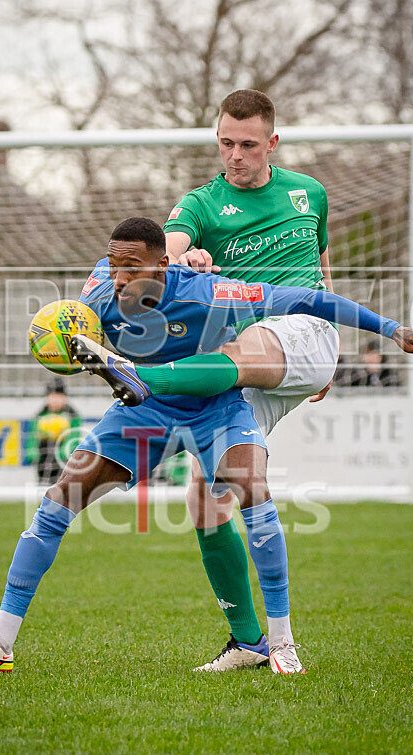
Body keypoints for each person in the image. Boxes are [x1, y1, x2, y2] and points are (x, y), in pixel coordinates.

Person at [0, 218, 413, 676]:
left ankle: (281, 643)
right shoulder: (98, 289)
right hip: (143, 409)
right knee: (59, 501)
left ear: (163, 265)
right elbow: (78, 333)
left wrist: (392, 329)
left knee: (253, 492)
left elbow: (307, 300)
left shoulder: (210, 291)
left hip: (216, 408)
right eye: (113, 263)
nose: (118, 277)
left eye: (131, 266)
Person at [156, 87, 349, 670]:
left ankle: (150, 381)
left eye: (246, 144)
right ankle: (251, 642)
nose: (234, 155)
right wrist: (184, 259)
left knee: (233, 355)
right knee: (207, 496)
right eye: (224, 143)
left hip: (302, 334)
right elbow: (168, 247)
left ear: (272, 142)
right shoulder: (202, 203)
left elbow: (321, 270)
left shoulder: (307, 192)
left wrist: (335, 345)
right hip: (251, 361)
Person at [26, 378, 83, 484]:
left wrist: (66, 452)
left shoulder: (72, 416)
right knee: (43, 484)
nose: (55, 400)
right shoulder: (40, 416)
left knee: (62, 484)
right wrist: (32, 452)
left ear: (65, 398)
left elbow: (74, 436)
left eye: (58, 396)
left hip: (63, 458)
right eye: (52, 396)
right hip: (44, 455)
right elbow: (32, 437)